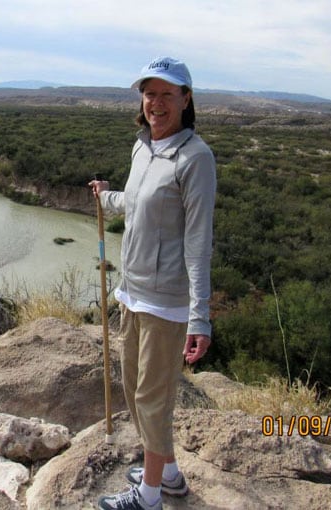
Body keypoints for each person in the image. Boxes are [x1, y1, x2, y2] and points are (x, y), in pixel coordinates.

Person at [89, 56, 216, 510]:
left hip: (168, 301)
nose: (156, 102)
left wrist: (200, 316)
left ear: (186, 98)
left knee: (152, 397)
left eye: (167, 93)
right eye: (149, 93)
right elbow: (138, 202)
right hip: (132, 290)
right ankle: (171, 473)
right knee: (132, 387)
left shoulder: (195, 157)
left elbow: (199, 240)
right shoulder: (142, 147)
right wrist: (107, 195)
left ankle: (150, 497)